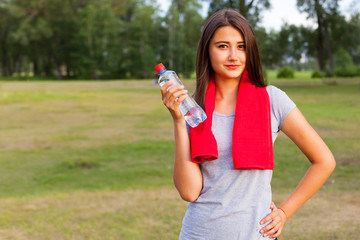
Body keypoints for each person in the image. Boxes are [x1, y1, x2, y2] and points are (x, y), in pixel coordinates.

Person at [160, 9, 335, 240]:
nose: (234, 56)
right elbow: (189, 191)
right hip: (199, 233)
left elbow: (324, 161)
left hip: (256, 235)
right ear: (207, 51)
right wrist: (179, 121)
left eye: (241, 46)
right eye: (223, 46)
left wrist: (284, 212)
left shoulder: (272, 100)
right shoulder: (194, 108)